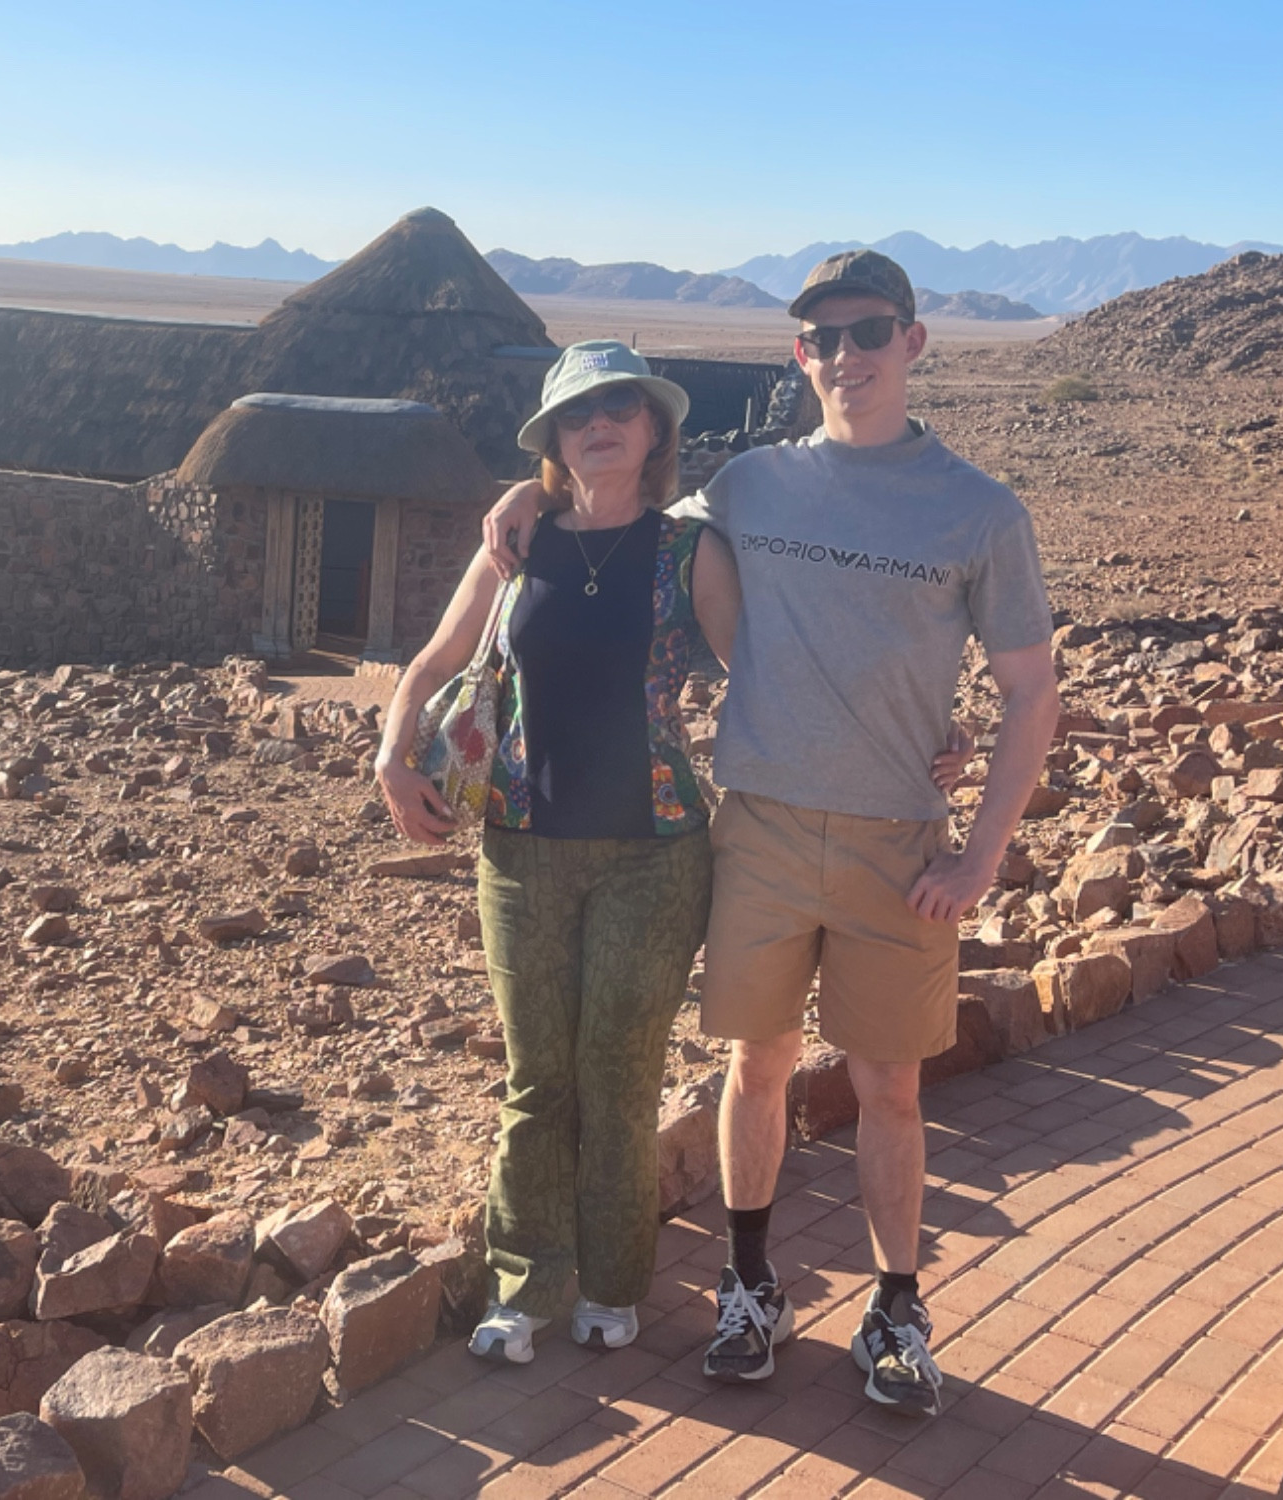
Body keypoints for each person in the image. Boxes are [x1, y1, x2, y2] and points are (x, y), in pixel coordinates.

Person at [480, 250, 1060, 1415]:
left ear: (911, 343)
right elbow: (611, 507)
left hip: (899, 841)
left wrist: (979, 854)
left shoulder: (979, 511)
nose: (845, 354)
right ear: (799, 355)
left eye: (869, 330)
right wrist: (523, 496)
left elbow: (1031, 693)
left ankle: (896, 1306)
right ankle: (751, 1287)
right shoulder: (748, 485)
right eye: (823, 337)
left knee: (888, 1087)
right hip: (757, 827)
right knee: (755, 1065)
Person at [374, 341, 732, 1363]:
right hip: (520, 849)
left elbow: (760, 675)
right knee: (537, 1077)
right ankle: (523, 1284)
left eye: (620, 407)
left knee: (618, 1074)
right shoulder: (512, 547)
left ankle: (615, 1284)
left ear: (653, 430)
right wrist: (391, 755)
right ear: (553, 440)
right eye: (578, 413)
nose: (600, 424)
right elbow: (434, 661)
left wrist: (911, 725)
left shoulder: (686, 551)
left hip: (653, 852)